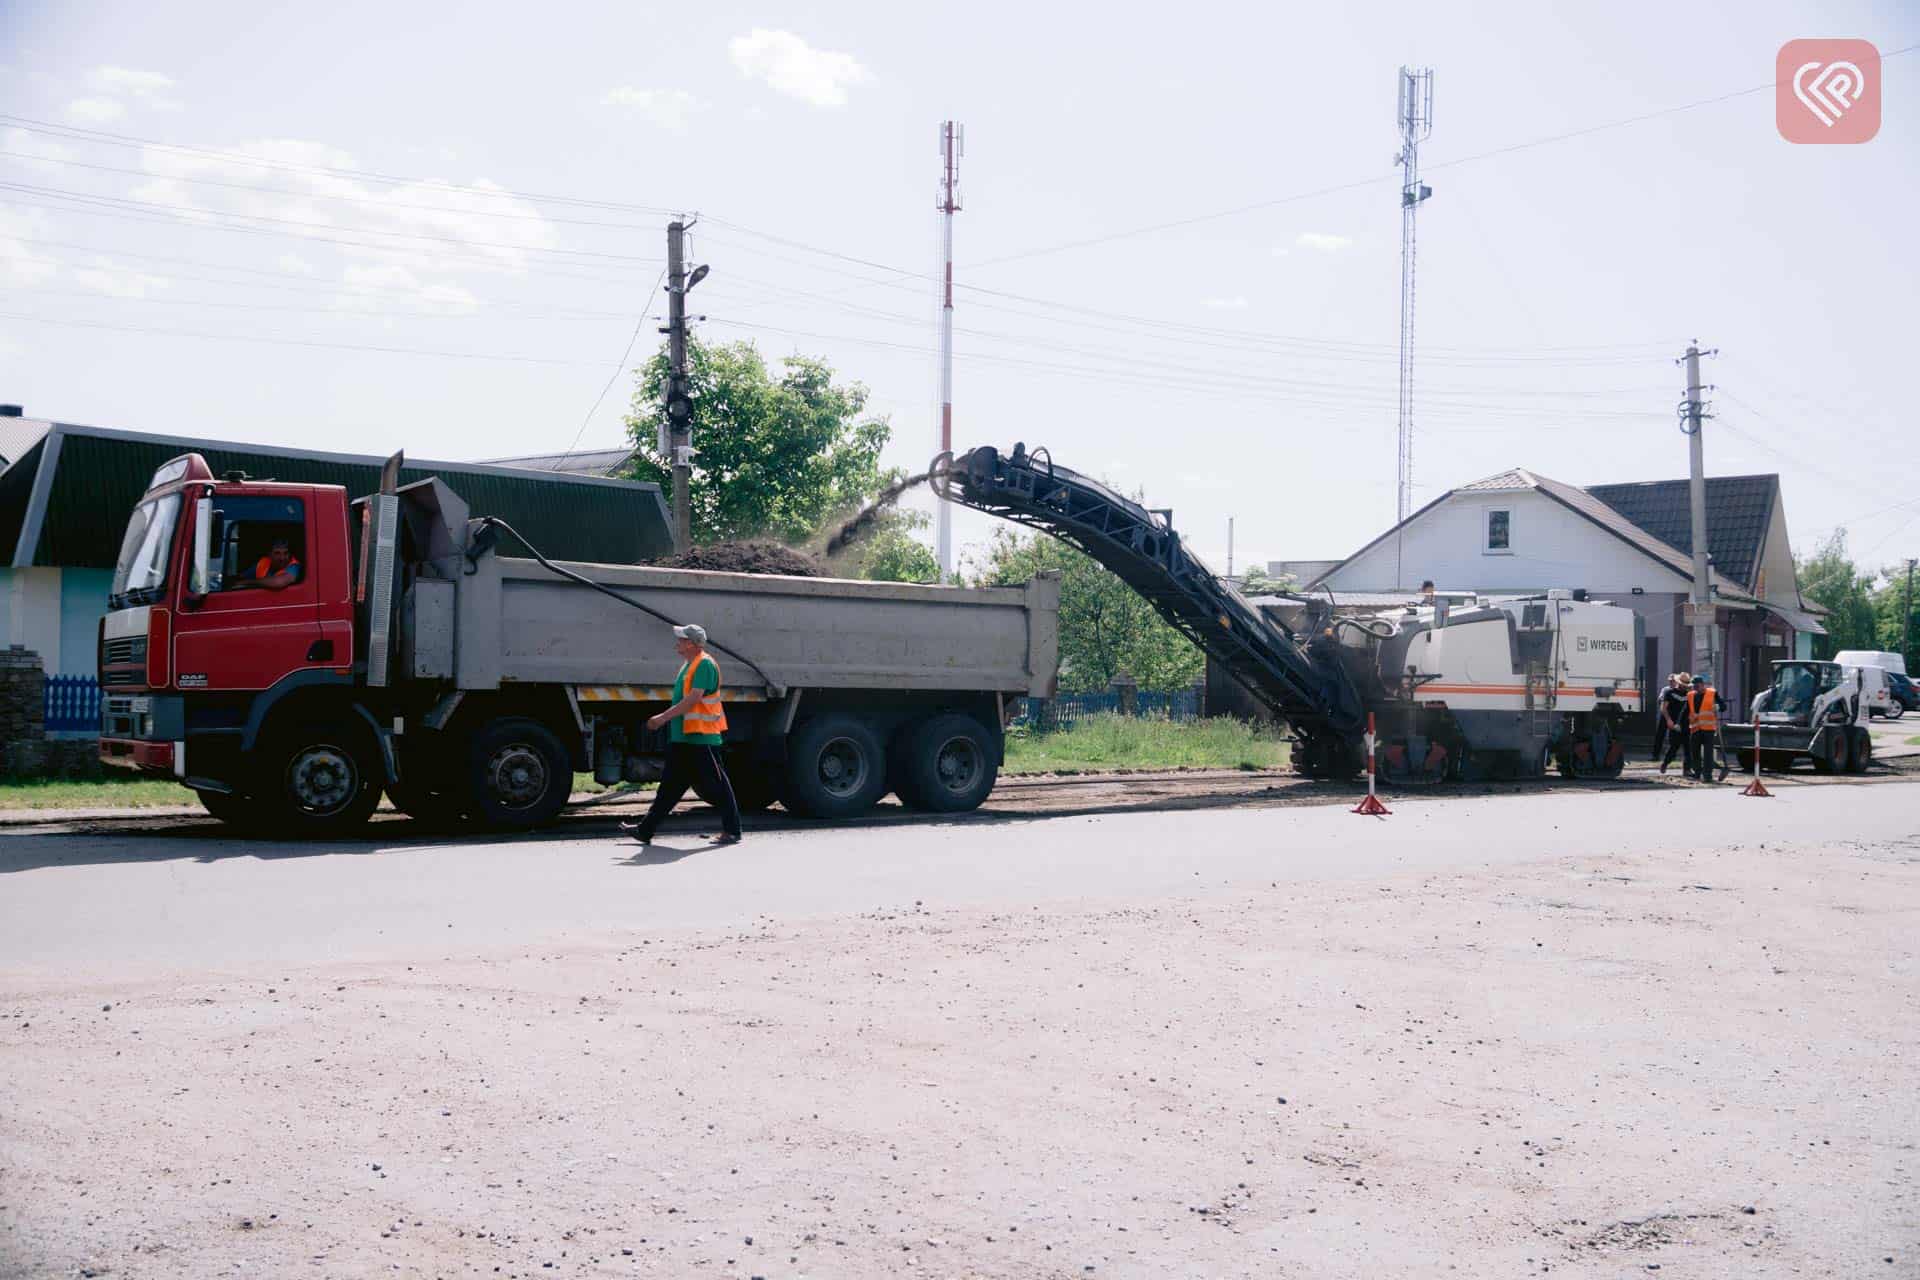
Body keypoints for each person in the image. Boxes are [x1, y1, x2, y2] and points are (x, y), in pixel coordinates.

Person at [621, 623, 743, 845]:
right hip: (684, 737)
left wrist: (662, 718)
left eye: (682, 639)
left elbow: (693, 699)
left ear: (693, 644)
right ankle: (645, 830)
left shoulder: (704, 664)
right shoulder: (689, 665)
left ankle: (733, 830)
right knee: (669, 787)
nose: (678, 642)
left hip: (701, 737)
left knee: (718, 784)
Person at [229, 537, 301, 592]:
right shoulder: (263, 562)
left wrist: (247, 582)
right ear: (269, 554)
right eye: (277, 553)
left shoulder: (294, 565)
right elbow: (241, 578)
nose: (282, 558)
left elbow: (278, 582)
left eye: (286, 553)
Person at [1687, 673, 1720, 782]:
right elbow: (1685, 710)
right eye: (1693, 685)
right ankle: (1697, 773)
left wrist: (1718, 707)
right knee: (1695, 752)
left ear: (1702, 684)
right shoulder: (1691, 695)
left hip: (1708, 729)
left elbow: (1723, 706)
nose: (1695, 687)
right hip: (1695, 729)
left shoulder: (1712, 693)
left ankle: (1707, 775)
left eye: (1696, 685)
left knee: (1708, 754)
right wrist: (1678, 722)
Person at [1655, 672, 1691, 774]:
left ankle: (1687, 769)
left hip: (1687, 724)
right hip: (1674, 724)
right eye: (1684, 684)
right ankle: (1665, 763)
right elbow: (1663, 708)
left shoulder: (1689, 694)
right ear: (1679, 683)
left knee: (1688, 748)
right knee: (1674, 747)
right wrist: (1668, 720)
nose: (1685, 687)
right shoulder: (1669, 693)